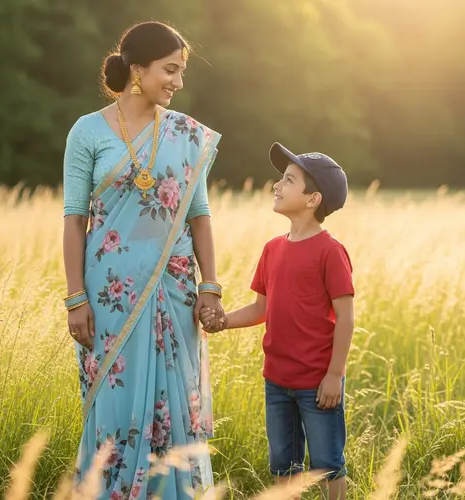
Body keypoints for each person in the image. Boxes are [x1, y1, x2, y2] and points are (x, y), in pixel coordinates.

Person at [62, 21, 225, 500]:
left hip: (175, 291)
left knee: (173, 410)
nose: (178, 81)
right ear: (137, 69)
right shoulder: (88, 132)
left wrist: (210, 285)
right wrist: (75, 297)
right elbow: (75, 220)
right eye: (169, 70)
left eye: (181, 71)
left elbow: (200, 216)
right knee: (114, 407)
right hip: (108, 294)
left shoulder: (184, 135)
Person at [201, 144, 355, 500]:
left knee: (328, 463)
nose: (277, 185)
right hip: (277, 380)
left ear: (313, 199)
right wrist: (223, 321)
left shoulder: (330, 252)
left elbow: (345, 317)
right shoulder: (273, 248)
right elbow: (260, 310)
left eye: (288, 180)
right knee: (283, 465)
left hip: (317, 383)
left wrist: (334, 375)